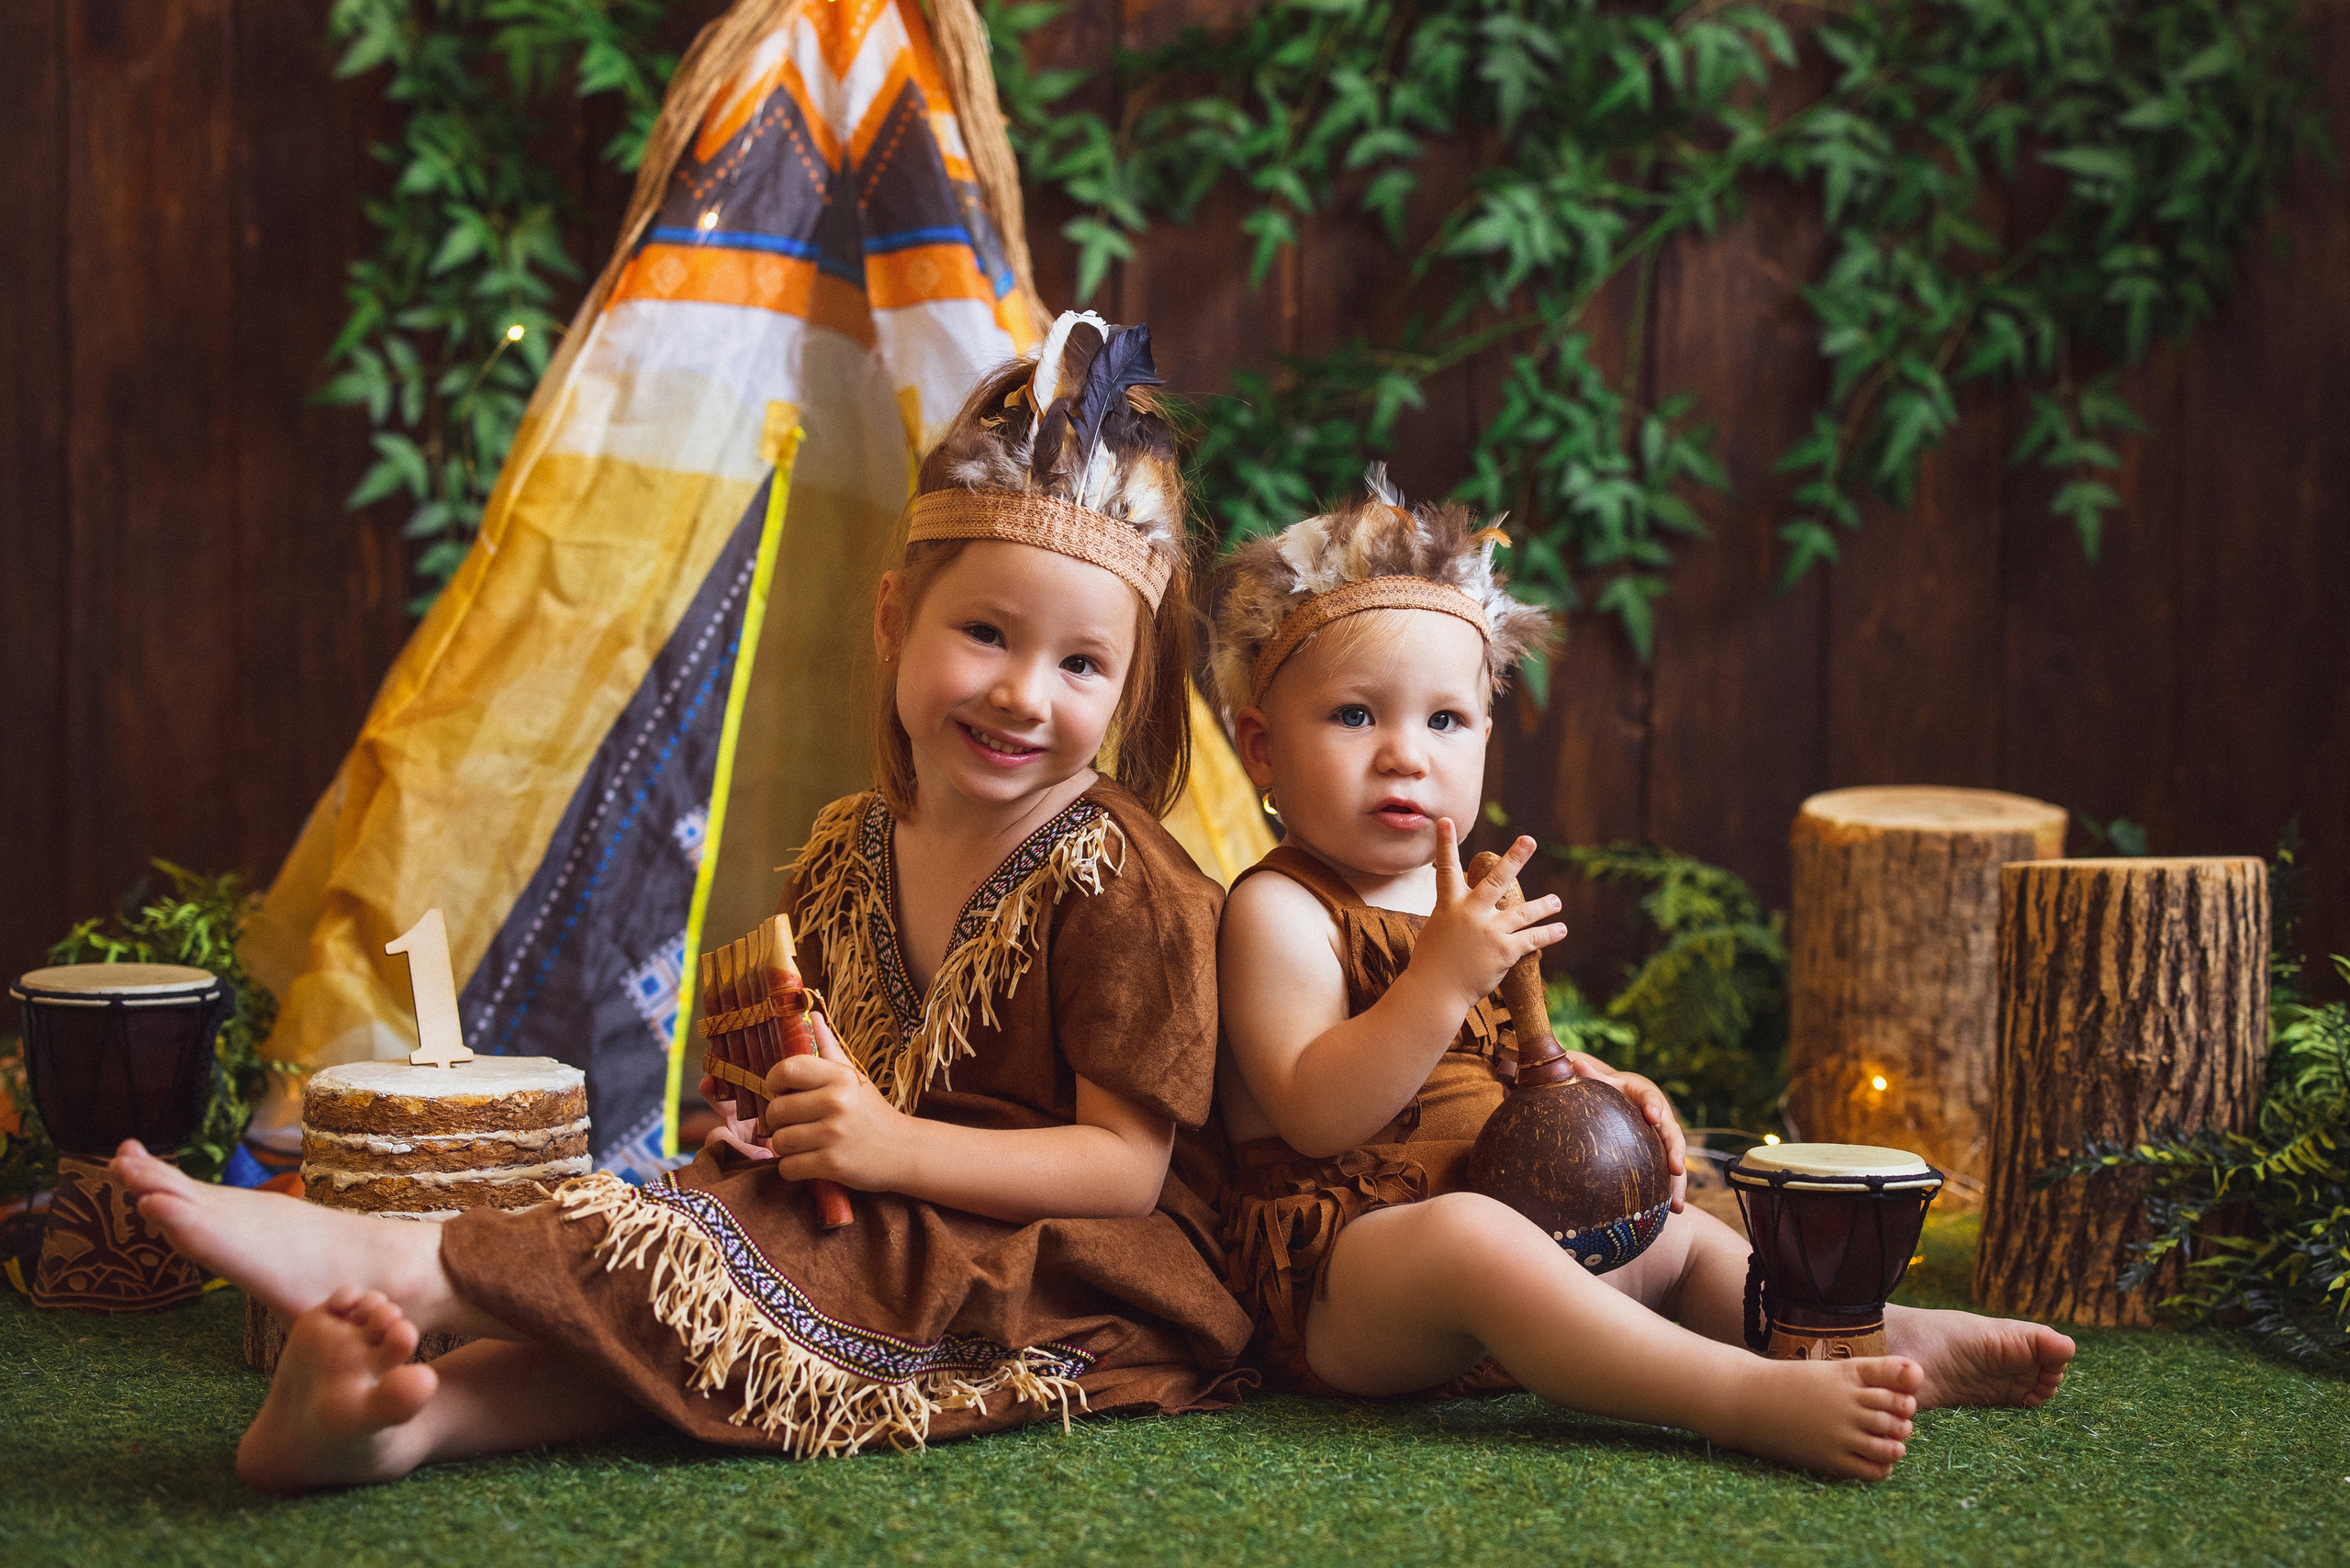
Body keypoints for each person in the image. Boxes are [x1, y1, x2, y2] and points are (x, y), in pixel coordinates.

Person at [111, 310, 1255, 1492]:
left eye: (1080, 664)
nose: (1022, 692)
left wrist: (889, 1145)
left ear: (1123, 691)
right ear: (891, 624)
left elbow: (1127, 1169)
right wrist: (780, 1121)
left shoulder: (1121, 878)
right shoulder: (848, 851)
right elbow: (845, 1093)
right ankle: (409, 1422)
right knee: (699, 1252)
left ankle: (407, 1264)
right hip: (892, 1218)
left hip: (1071, 1273)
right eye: (983, 633)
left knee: (743, 1247)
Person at [1207, 470, 2076, 1481]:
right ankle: (1737, 1398)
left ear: (1484, 738)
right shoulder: (1276, 909)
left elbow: (1496, 1059)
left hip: (1506, 1240)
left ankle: (1857, 1331)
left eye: (1444, 721)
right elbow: (1316, 1111)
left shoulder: (1463, 898)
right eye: (1355, 717)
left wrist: (1599, 1084)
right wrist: (1441, 979)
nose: (1405, 755)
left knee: (1676, 1232)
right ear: (1260, 748)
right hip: (1347, 1281)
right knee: (1472, 1239)